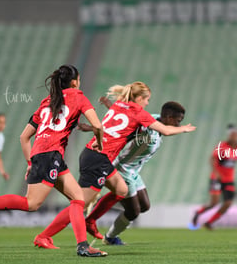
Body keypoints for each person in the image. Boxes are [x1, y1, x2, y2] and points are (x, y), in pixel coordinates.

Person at [0, 64, 107, 257]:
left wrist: (30, 162)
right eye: (78, 79)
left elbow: (24, 137)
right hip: (50, 155)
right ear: (74, 82)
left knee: (78, 199)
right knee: (31, 204)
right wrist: (99, 144)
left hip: (44, 154)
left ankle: (81, 246)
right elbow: (98, 125)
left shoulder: (47, 101)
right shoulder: (78, 96)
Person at [34, 82, 196, 247]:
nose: (147, 103)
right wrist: (184, 129)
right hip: (98, 158)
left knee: (121, 189)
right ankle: (44, 235)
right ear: (139, 98)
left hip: (100, 156)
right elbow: (166, 131)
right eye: (146, 99)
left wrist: (99, 117)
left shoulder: (120, 105)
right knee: (79, 203)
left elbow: (117, 125)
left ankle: (91, 220)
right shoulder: (140, 114)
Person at [79, 99, 186, 245]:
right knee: (133, 212)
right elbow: (123, 126)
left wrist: (109, 105)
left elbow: (127, 116)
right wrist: (92, 128)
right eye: (178, 121)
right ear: (168, 118)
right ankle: (108, 235)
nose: (178, 125)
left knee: (144, 206)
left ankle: (109, 199)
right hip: (123, 169)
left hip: (134, 171)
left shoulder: (153, 119)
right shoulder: (148, 129)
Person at [192, 124, 237, 230]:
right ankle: (198, 212)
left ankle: (209, 223)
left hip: (229, 180)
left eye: (235, 135)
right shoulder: (222, 146)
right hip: (217, 178)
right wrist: (216, 173)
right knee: (214, 203)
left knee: (228, 203)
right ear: (229, 135)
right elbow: (212, 159)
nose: (233, 137)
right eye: (231, 134)